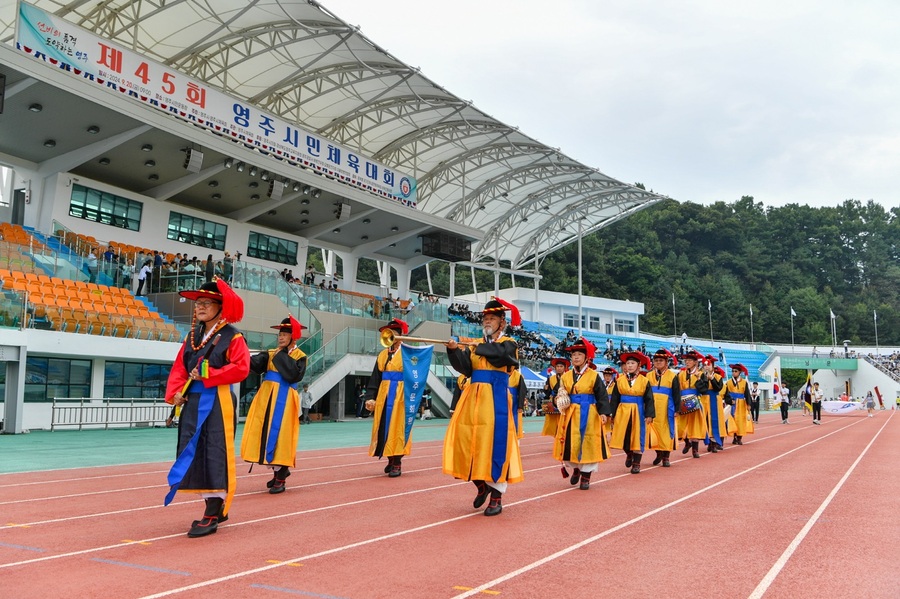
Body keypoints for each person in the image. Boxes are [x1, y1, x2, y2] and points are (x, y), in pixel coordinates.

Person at [163, 278, 250, 538]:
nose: (199, 307)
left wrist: (210, 374)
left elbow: (242, 367)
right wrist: (176, 394)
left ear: (219, 306)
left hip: (217, 401)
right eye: (197, 303)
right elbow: (180, 367)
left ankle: (213, 511)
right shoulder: (192, 337)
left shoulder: (232, 336)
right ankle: (214, 506)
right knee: (194, 451)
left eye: (205, 303)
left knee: (214, 451)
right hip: (192, 402)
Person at [443, 298, 523, 516]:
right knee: (466, 441)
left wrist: (480, 347)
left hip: (495, 398)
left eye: (492, 319)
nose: (487, 321)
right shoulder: (475, 345)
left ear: (502, 323)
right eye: (485, 318)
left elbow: (502, 357)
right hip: (472, 398)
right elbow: (466, 369)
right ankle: (481, 485)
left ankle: (496, 496)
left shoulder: (509, 343)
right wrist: (453, 351)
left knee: (494, 445)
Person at [240, 315, 307, 494]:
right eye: (280, 334)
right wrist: (242, 348)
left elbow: (293, 375)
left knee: (282, 436)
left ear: (293, 337)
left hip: (285, 400)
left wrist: (280, 354)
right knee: (264, 432)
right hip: (266, 399)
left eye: (285, 334)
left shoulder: (300, 356)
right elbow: (252, 364)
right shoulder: (271, 353)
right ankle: (278, 471)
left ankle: (281, 474)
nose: (280, 337)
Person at [552, 337, 611, 489]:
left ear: (586, 358)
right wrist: (558, 399)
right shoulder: (565, 376)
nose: (576, 357)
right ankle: (576, 468)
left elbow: (602, 396)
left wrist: (604, 412)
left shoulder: (594, 376)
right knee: (571, 442)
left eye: (579, 354)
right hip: (570, 413)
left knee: (588, 443)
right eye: (573, 355)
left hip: (589, 413)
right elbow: (558, 393)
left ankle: (586, 476)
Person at [364, 318, 414, 478]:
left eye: (392, 333)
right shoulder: (382, 354)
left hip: (400, 396)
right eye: (388, 333)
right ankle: (390, 458)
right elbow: (375, 378)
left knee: (397, 428)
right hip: (384, 394)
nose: (389, 336)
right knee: (384, 426)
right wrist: (370, 396)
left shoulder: (408, 354)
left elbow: (415, 377)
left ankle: (397, 461)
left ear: (400, 336)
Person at [609, 351, 655, 473]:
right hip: (622, 411)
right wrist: (611, 414)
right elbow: (614, 399)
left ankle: (636, 463)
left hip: (638, 411)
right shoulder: (619, 380)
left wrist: (649, 414)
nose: (629, 365)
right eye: (627, 363)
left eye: (632, 363)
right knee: (623, 436)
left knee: (637, 436)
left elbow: (649, 399)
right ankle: (629, 453)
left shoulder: (644, 381)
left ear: (638, 365)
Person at [647, 349, 681, 467]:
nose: (658, 362)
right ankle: (658, 452)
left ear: (666, 362)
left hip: (667, 408)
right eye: (656, 360)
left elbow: (677, 393)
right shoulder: (648, 375)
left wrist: (677, 409)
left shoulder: (673, 376)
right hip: (653, 408)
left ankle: (666, 457)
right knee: (653, 432)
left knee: (666, 432)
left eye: (661, 360)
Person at [677, 350, 706, 458]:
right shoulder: (681, 374)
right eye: (686, 360)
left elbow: (704, 389)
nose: (687, 362)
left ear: (695, 362)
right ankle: (687, 442)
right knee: (680, 425)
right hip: (683, 401)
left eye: (690, 360)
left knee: (695, 426)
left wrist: (699, 379)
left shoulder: (701, 374)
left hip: (695, 401)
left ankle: (695, 450)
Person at [697, 355, 726, 452]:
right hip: (704, 400)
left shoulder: (718, 377)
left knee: (715, 421)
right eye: (704, 365)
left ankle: (714, 443)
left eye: (708, 365)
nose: (706, 367)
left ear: (712, 366)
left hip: (714, 400)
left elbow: (718, 388)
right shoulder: (700, 376)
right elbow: (700, 388)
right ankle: (708, 441)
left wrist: (712, 379)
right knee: (706, 421)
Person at [724, 364, 753, 445]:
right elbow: (726, 394)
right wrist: (729, 401)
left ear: (739, 372)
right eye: (732, 371)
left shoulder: (744, 382)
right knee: (732, 420)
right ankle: (734, 436)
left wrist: (748, 404)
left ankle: (739, 437)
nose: (734, 373)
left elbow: (747, 394)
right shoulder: (728, 382)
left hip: (741, 404)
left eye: (735, 371)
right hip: (732, 403)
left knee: (740, 421)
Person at [541, 357, 569, 436]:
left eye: (561, 366)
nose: (559, 368)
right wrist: (546, 389)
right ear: (555, 368)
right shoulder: (551, 379)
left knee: (564, 422)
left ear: (564, 368)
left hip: (564, 402)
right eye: (557, 367)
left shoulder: (568, 378)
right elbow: (548, 392)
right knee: (554, 423)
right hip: (553, 402)